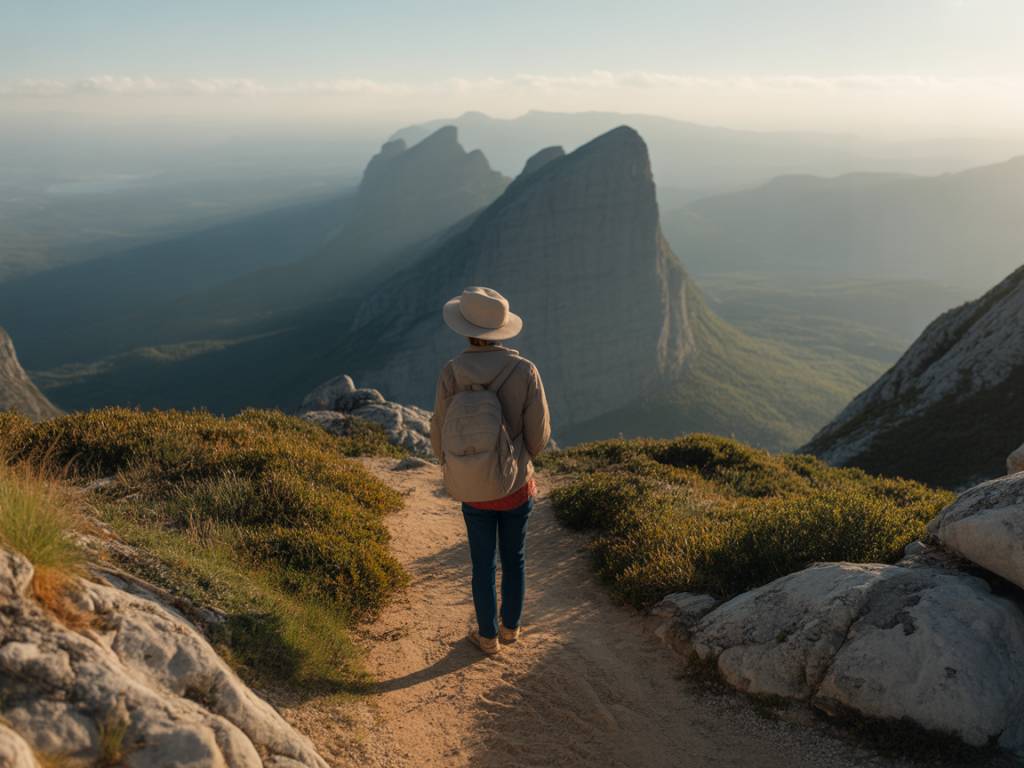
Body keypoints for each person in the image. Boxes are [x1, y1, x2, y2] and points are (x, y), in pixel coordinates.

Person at [431, 286, 551, 655]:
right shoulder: (524, 370)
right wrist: (518, 461)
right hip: (515, 487)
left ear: (465, 329)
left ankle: (486, 637)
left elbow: (438, 431)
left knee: (482, 563)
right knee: (513, 559)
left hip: (474, 489)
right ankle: (511, 629)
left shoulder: (452, 372)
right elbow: (540, 435)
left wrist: (460, 465)